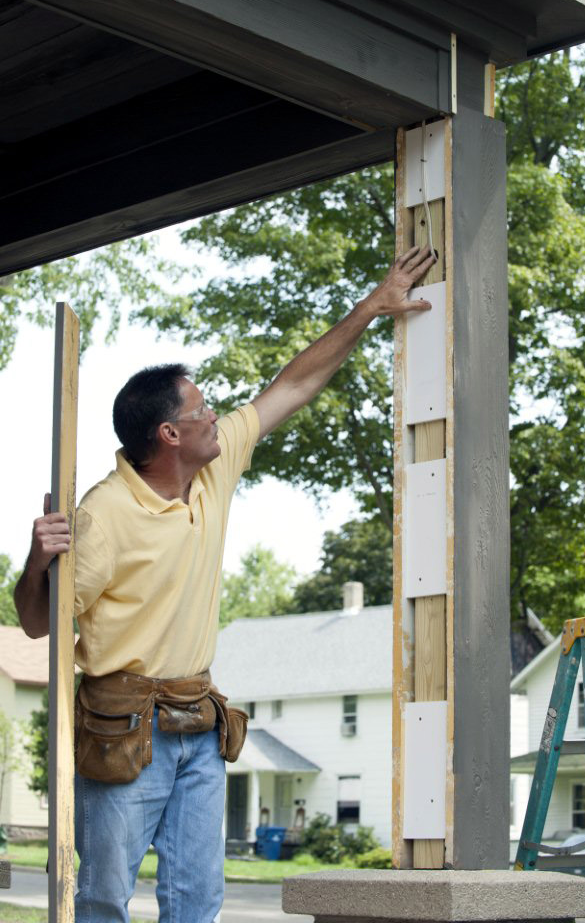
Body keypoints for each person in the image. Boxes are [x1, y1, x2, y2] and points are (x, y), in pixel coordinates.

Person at [14, 244, 435, 923]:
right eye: (203, 410)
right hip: (124, 729)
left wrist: (374, 304)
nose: (218, 417)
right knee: (100, 898)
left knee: (198, 899)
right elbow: (39, 623)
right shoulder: (103, 516)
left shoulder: (211, 468)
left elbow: (292, 385)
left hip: (197, 722)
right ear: (169, 433)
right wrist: (37, 563)